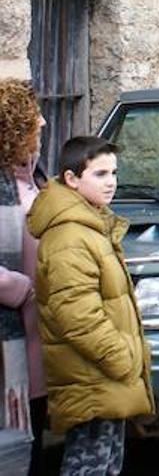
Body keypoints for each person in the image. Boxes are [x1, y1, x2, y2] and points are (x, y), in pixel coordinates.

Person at [29, 136, 153, 476]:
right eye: (100, 174)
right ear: (72, 179)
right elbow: (77, 316)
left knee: (105, 464)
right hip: (92, 378)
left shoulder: (91, 227)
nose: (111, 181)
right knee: (89, 467)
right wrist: (123, 359)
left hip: (103, 377)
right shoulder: (70, 238)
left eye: (113, 172)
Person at [0, 81, 47, 476]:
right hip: (9, 339)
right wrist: (19, 288)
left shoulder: (31, 180)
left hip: (34, 340)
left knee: (31, 438)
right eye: (34, 118)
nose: (44, 122)